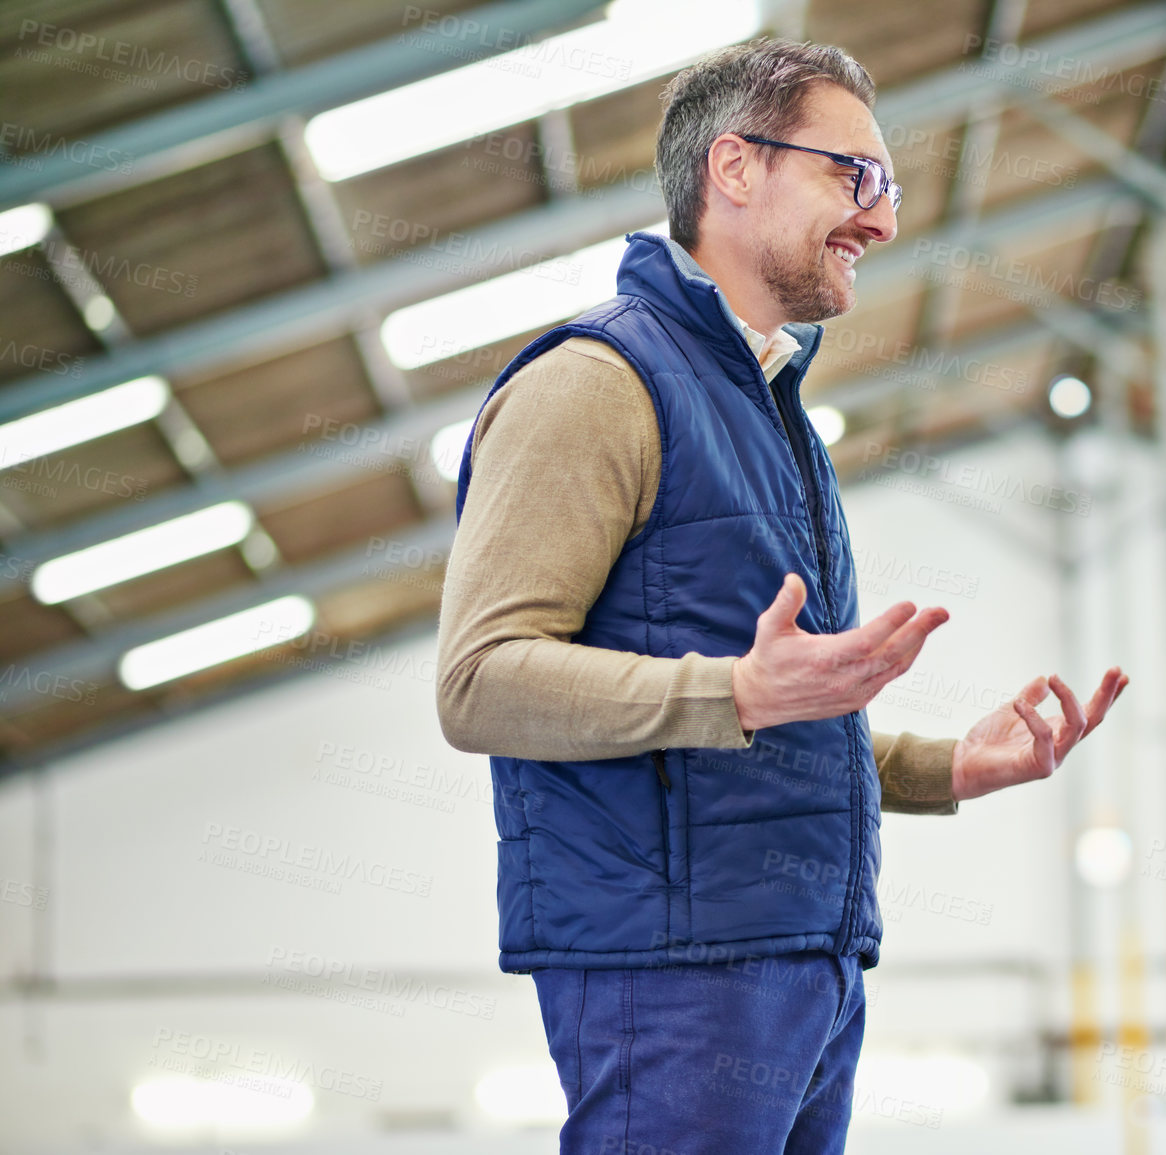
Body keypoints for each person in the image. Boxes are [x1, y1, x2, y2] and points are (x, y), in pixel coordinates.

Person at [436, 38, 1128, 1155]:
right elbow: (477, 684)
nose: (883, 219)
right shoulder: (594, 385)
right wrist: (741, 691)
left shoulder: (772, 415)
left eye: (888, 186)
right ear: (736, 168)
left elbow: (778, 711)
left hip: (803, 960)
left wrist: (945, 766)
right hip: (674, 971)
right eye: (852, 176)